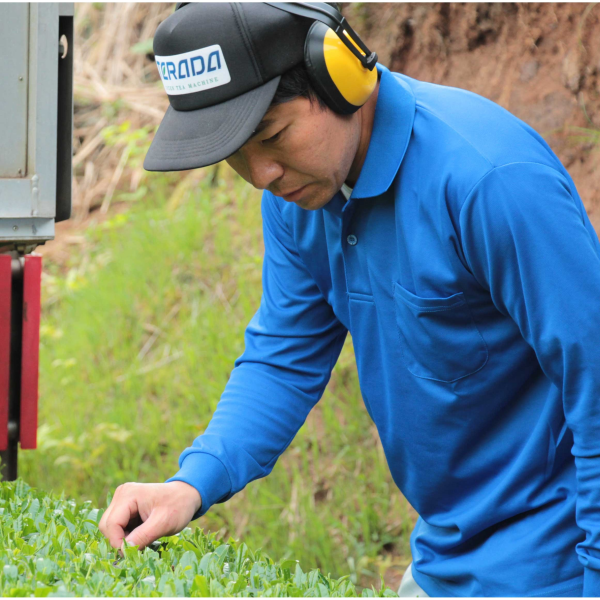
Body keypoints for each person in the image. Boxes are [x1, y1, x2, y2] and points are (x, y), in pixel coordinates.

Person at [98, 2, 600, 597]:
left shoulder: (488, 179)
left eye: (273, 136)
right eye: (235, 156)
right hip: (445, 554)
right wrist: (191, 484)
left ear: (342, 78)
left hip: (557, 561)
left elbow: (593, 376)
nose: (262, 175)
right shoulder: (299, 200)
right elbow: (284, 359)